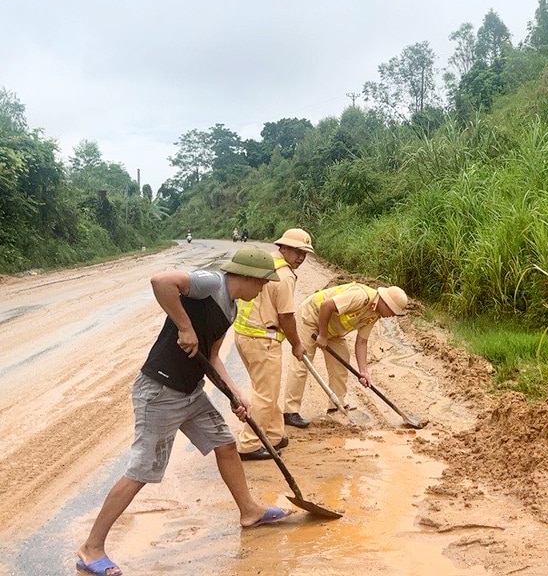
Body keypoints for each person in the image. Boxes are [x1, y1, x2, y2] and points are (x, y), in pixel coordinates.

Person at [76, 248, 293, 576]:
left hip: (190, 392)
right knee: (142, 470)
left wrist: (235, 393)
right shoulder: (210, 283)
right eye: (262, 283)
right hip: (160, 392)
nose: (263, 289)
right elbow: (161, 281)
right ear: (247, 276)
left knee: (226, 444)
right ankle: (91, 549)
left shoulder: (231, 309)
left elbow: (213, 357)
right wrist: (184, 326)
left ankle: (249, 511)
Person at [233, 228, 313, 461]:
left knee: (267, 390)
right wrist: (297, 344)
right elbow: (286, 316)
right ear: (284, 248)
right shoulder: (285, 275)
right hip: (262, 339)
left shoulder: (267, 264)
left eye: (304, 253)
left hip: (246, 336)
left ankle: (274, 434)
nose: (300, 257)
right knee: (265, 395)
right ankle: (248, 444)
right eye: (297, 251)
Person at [284, 282, 408, 415]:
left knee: (341, 363)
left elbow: (362, 342)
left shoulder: (374, 313)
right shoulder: (361, 296)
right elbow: (326, 305)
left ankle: (336, 405)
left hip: (333, 328)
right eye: (392, 311)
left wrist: (363, 371)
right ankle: (290, 412)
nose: (392, 316)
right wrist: (323, 335)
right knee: (302, 363)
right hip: (311, 317)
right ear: (385, 303)